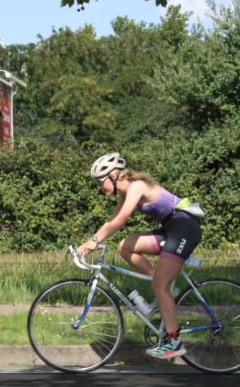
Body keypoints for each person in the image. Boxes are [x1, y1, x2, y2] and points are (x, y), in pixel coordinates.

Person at [77, 152, 203, 359]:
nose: (99, 188)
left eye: (100, 182)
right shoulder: (124, 192)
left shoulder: (136, 186)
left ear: (113, 175)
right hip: (170, 229)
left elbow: (121, 220)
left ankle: (174, 341)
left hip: (184, 228)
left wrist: (93, 242)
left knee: (159, 286)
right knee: (125, 247)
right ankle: (164, 285)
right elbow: (113, 219)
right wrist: (91, 240)